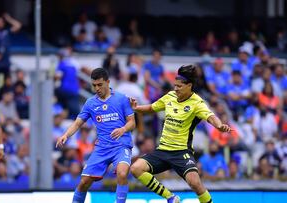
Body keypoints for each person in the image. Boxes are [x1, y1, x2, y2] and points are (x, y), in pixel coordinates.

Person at [130, 65, 231, 203]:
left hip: (181, 152)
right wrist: (136, 108)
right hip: (163, 150)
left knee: (195, 183)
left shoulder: (197, 103)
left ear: (189, 85)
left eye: (179, 86)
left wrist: (219, 125)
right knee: (136, 168)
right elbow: (151, 108)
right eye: (174, 85)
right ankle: (170, 197)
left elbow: (211, 117)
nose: (175, 89)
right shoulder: (170, 97)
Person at [56, 68, 136, 203]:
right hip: (102, 148)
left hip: (121, 145)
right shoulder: (91, 103)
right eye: (94, 85)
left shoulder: (121, 99)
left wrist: (123, 129)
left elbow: (132, 123)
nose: (97, 88)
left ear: (108, 82)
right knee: (83, 182)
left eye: (100, 85)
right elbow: (77, 123)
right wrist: (66, 135)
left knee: (122, 173)